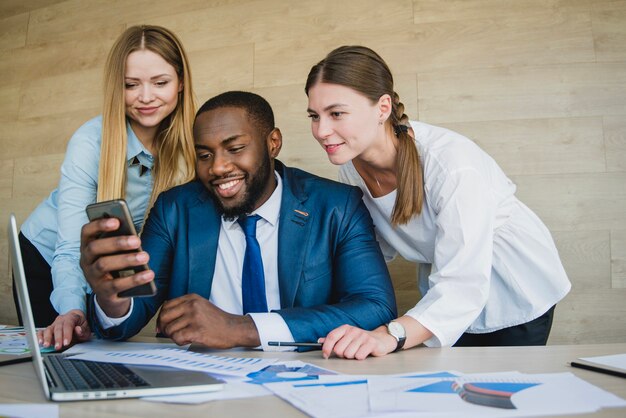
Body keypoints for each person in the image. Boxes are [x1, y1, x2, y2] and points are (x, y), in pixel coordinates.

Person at [305, 46, 571, 359]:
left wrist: (389, 334)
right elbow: (370, 251)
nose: (322, 131)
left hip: (514, 286)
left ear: (382, 108)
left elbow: (463, 284)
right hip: (447, 293)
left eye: (337, 113)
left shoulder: (452, 164)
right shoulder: (350, 168)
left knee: (497, 397)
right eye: (314, 116)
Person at [79, 91, 397, 349]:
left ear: (273, 143)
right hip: (200, 387)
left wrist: (243, 328)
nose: (217, 167)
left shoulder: (337, 205)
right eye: (204, 155)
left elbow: (375, 306)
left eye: (235, 148)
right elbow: (133, 313)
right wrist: (111, 299)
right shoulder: (174, 209)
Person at [18, 25, 197, 350]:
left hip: (108, 263)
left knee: (104, 348)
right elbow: (71, 248)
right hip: (48, 256)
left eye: (160, 83)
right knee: (60, 349)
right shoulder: (90, 141)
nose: (146, 97)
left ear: (181, 82)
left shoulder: (193, 147)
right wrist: (71, 309)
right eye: (131, 85)